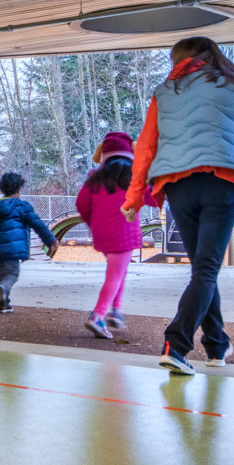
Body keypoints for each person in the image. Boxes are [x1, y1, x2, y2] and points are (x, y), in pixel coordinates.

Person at [122, 37, 234, 375]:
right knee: (207, 268)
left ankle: (216, 344)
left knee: (202, 268)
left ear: (179, 60)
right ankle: (175, 345)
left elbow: (146, 148)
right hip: (222, 182)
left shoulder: (164, 93)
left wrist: (134, 196)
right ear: (213, 57)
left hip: (178, 186)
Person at [76, 132, 141, 340]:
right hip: (124, 235)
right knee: (114, 275)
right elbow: (150, 195)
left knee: (118, 271)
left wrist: (91, 222)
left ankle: (116, 310)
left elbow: (81, 204)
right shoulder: (134, 177)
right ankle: (99, 316)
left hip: (102, 235)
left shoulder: (94, 179)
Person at [0, 172, 58, 313]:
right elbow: (38, 224)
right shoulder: (23, 207)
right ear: (18, 190)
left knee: (0, 275)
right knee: (12, 274)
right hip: (13, 248)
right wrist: (50, 239)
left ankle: (3, 303)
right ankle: (4, 291)